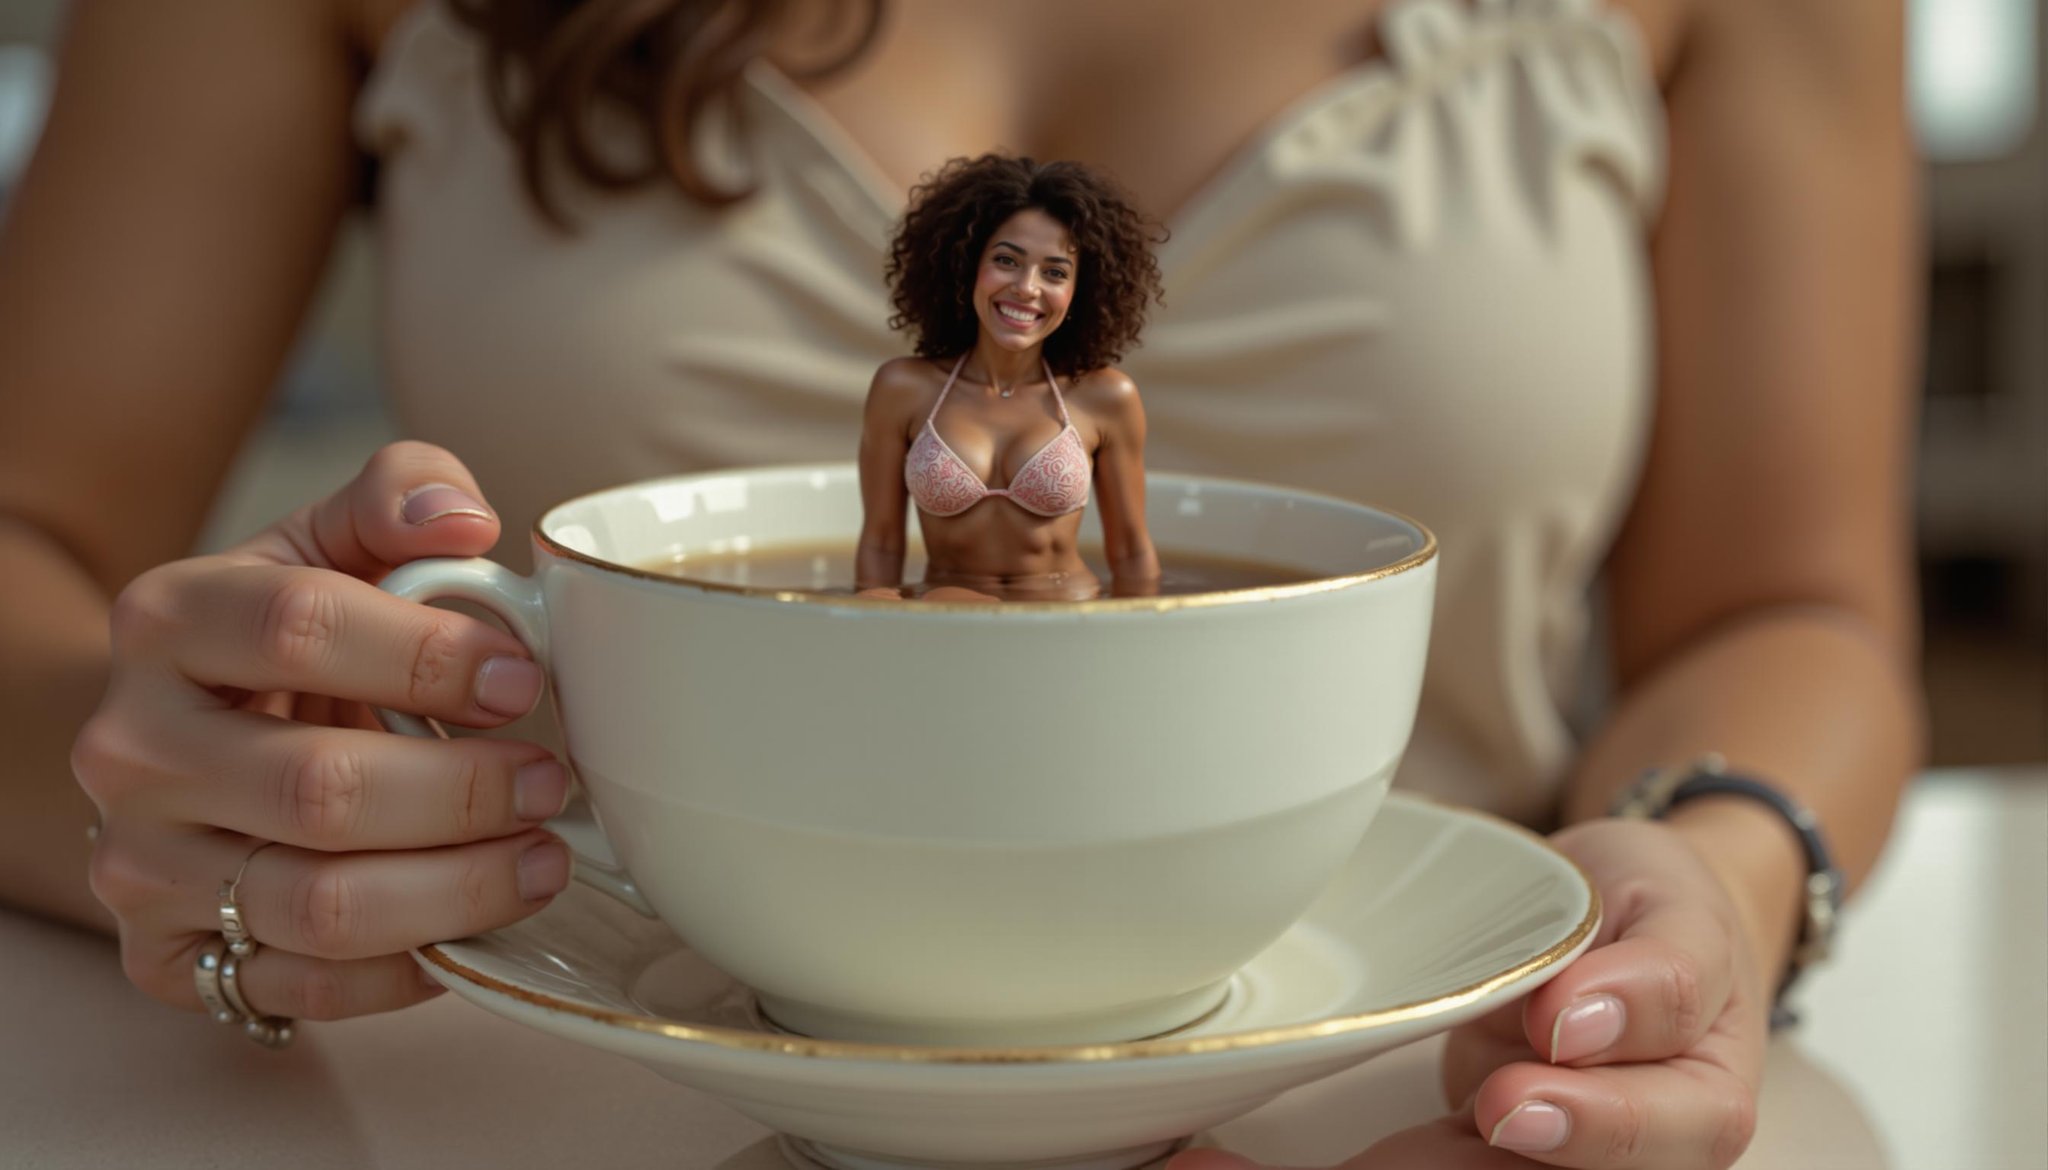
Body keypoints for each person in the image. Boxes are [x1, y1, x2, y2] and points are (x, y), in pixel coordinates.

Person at [0, 0, 1921, 1166]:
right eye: (991, 270)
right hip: (525, 1103)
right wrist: (193, 774)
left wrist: (1709, 882)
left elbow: (1789, 612)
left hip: (1397, 1109)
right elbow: (36, 541)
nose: (1018, 292)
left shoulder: (1109, 418)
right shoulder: (901, 396)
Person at [856, 153, 1163, 602]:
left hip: (1064, 621)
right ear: (966, 265)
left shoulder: (1106, 397)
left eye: (1055, 272)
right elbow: (881, 544)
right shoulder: (903, 389)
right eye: (1006, 260)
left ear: (1080, 291)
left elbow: (1133, 552)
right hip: (949, 624)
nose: (1027, 287)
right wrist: (870, 631)